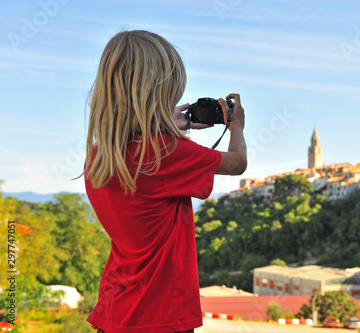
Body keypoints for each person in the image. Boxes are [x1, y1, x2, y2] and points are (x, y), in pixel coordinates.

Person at [83, 30, 247, 333]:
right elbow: (236, 163)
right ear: (160, 92)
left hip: (115, 311)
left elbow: (142, 156)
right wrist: (236, 126)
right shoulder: (166, 152)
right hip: (160, 314)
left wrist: (171, 124)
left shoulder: (100, 155)